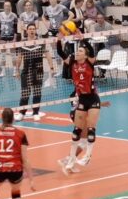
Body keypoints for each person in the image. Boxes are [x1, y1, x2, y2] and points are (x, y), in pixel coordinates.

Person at [60, 34, 100, 174]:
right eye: (77, 51)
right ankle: (69, 160)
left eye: (80, 51)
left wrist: (83, 38)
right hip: (80, 104)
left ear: (85, 55)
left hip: (91, 101)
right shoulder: (73, 64)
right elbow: (60, 52)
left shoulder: (89, 63)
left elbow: (91, 51)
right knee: (79, 134)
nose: (77, 52)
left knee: (88, 133)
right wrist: (59, 39)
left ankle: (82, 158)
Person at [17, 23, 55, 119]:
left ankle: (36, 113)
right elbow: (19, 57)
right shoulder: (22, 42)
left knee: (37, 92)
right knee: (25, 93)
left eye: (33, 29)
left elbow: (47, 55)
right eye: (30, 29)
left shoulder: (40, 42)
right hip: (26, 71)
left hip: (38, 71)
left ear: (35, 30)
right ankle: (22, 113)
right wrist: (16, 70)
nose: (32, 30)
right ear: (27, 31)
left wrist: (51, 68)